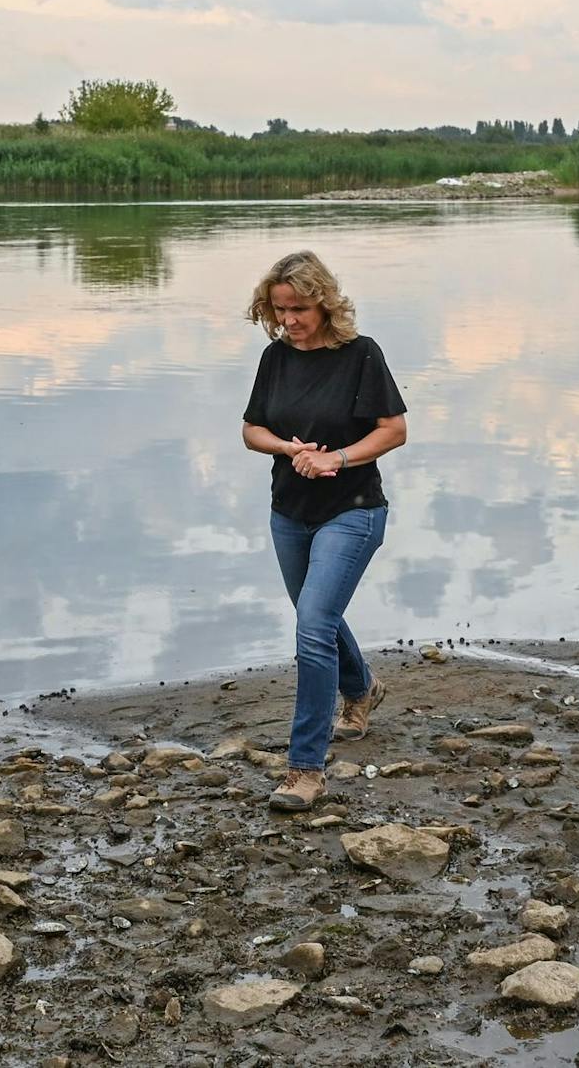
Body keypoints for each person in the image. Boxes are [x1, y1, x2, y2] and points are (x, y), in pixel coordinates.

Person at [241, 251, 408, 811]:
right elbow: (251, 429)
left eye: (299, 309)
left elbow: (393, 431)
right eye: (279, 309)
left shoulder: (361, 356)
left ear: (325, 302)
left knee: (313, 625)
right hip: (288, 512)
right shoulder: (276, 358)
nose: (289, 320)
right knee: (318, 617)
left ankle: (304, 769)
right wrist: (288, 447)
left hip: (353, 510)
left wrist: (337, 457)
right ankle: (362, 688)